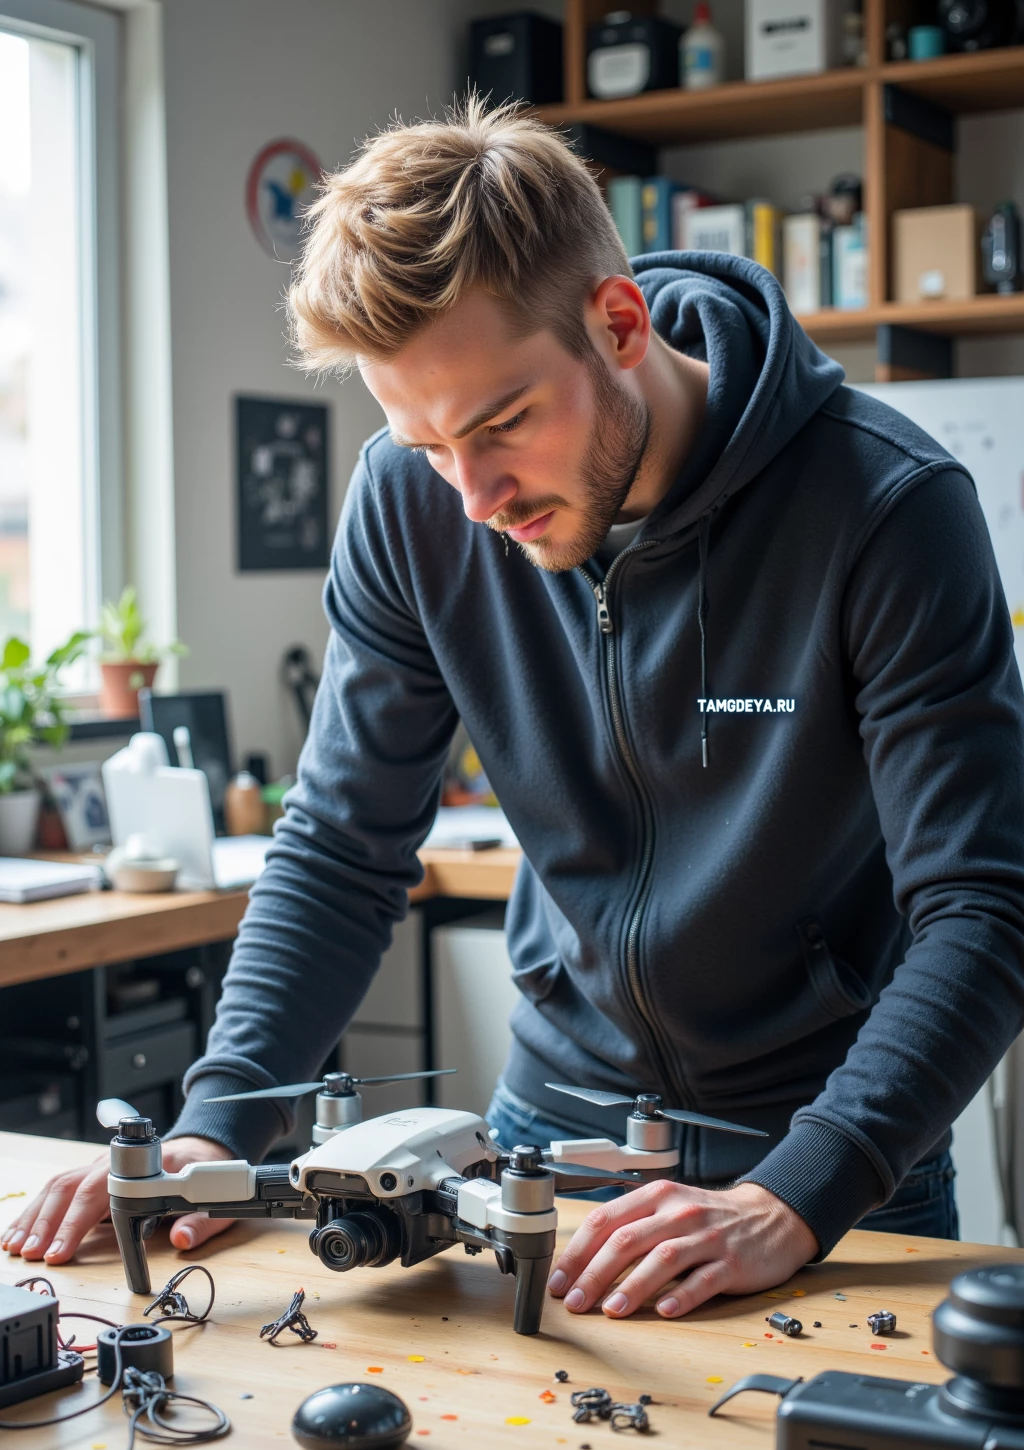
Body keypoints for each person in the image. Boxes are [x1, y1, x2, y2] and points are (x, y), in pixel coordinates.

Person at [7, 100, 1024, 1322]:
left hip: (829, 1165)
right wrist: (218, 1121)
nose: (475, 495)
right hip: (550, 1147)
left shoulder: (886, 506)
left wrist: (799, 1193)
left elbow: (982, 902)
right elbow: (338, 844)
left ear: (617, 321)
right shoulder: (410, 505)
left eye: (500, 426)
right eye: (425, 441)